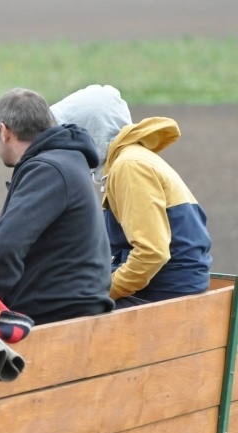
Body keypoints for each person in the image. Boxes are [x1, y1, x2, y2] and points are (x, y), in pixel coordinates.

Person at [51, 84, 212, 308]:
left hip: (163, 293)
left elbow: (151, 253)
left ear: (91, 131)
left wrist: (102, 292)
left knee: (56, 314)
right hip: (170, 287)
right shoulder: (131, 160)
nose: (66, 146)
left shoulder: (129, 167)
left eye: (71, 135)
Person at [0, 88, 114, 325]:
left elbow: (6, 249)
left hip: (56, 315)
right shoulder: (67, 160)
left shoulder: (48, 170)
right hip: (76, 308)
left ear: (4, 131)